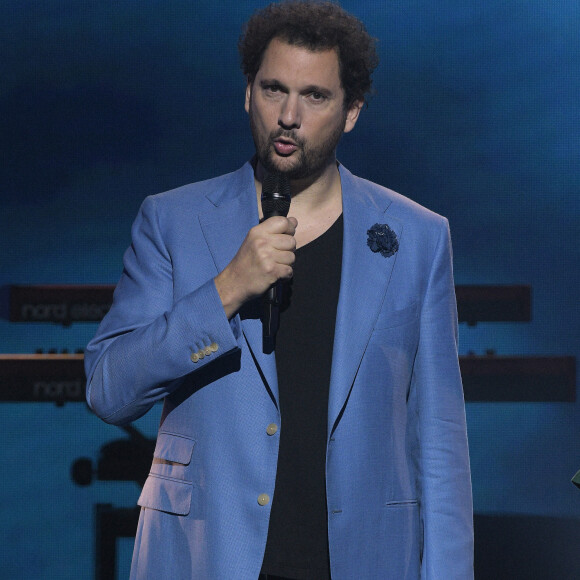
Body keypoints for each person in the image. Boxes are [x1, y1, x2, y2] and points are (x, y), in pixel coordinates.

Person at [85, 1, 473, 578]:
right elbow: (108, 390)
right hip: (206, 554)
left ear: (351, 111)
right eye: (273, 90)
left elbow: (439, 438)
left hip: (360, 556)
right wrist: (225, 289)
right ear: (248, 94)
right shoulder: (172, 221)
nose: (288, 115)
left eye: (314, 96)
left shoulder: (417, 237)